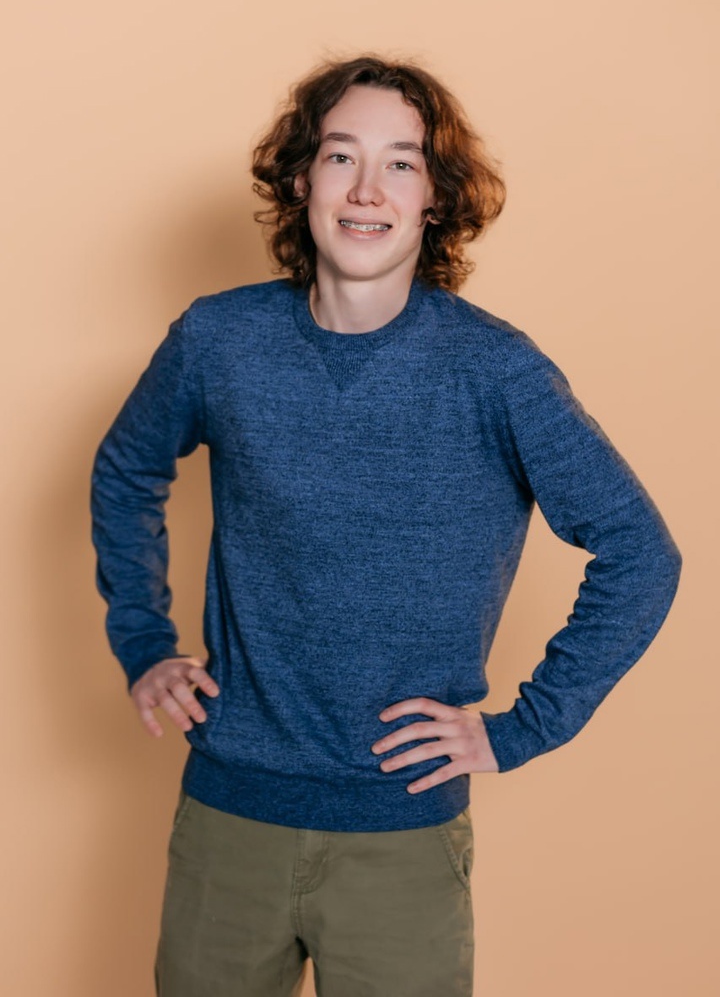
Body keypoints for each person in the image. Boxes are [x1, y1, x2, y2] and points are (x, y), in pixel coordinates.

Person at [90, 55, 682, 997]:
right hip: (227, 823)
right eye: (341, 156)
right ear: (301, 181)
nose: (368, 189)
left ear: (436, 197)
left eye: (402, 163)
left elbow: (642, 553)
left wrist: (521, 730)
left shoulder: (497, 371)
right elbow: (126, 470)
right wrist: (143, 641)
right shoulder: (219, 340)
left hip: (402, 841)